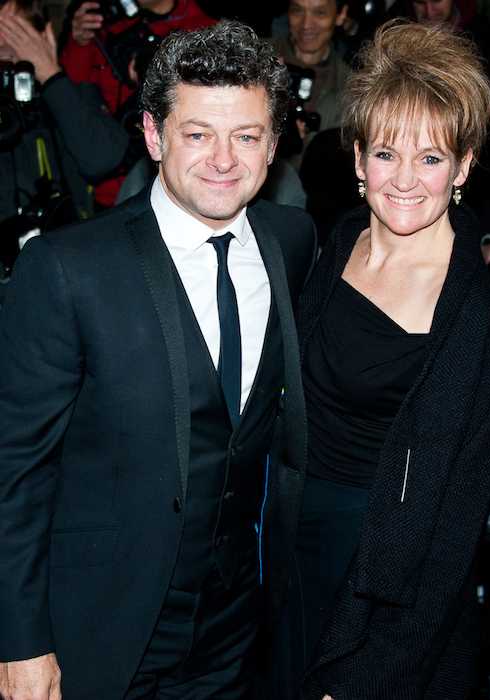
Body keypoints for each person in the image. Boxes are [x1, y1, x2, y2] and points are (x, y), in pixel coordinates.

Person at [0, 20, 316, 700]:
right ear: (152, 135)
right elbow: (14, 472)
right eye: (198, 134)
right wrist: (21, 641)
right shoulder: (65, 270)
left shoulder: (292, 240)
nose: (223, 159)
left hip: (239, 627)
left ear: (275, 144)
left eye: (247, 136)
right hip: (104, 628)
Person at [273, 19, 490, 700]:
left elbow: (451, 533)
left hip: (384, 592)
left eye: (431, 158)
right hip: (290, 558)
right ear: (357, 158)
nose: (405, 180)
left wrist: (369, 673)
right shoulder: (337, 244)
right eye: (386, 154)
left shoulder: (474, 316)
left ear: (461, 169)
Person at [0, 0, 129, 259]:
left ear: (43, 37)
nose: (5, 43)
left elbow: (102, 159)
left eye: (15, 32)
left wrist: (49, 73)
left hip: (71, 256)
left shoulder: (64, 95)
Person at [59, 0, 216, 207]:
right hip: (112, 183)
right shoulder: (105, 26)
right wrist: (79, 42)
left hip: (182, 183)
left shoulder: (206, 30)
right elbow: (71, 98)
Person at [273, 0, 350, 163]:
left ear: (340, 15)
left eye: (320, 13)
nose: (306, 24)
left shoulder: (350, 86)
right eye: (297, 11)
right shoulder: (255, 57)